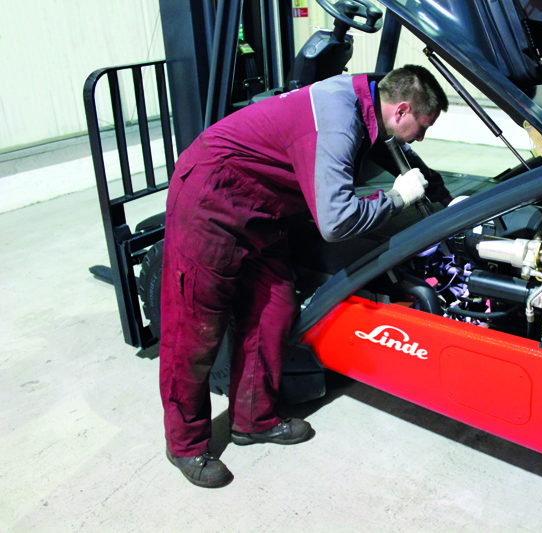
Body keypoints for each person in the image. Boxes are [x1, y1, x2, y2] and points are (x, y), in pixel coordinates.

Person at [159, 64, 449, 488]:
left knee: (275, 309)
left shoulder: (368, 98)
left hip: (261, 208)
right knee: (196, 330)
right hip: (211, 200)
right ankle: (185, 445)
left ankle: (252, 421)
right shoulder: (337, 123)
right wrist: (395, 199)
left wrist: (443, 197)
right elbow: (336, 221)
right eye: (422, 127)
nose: (420, 138)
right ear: (402, 110)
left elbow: (389, 153)